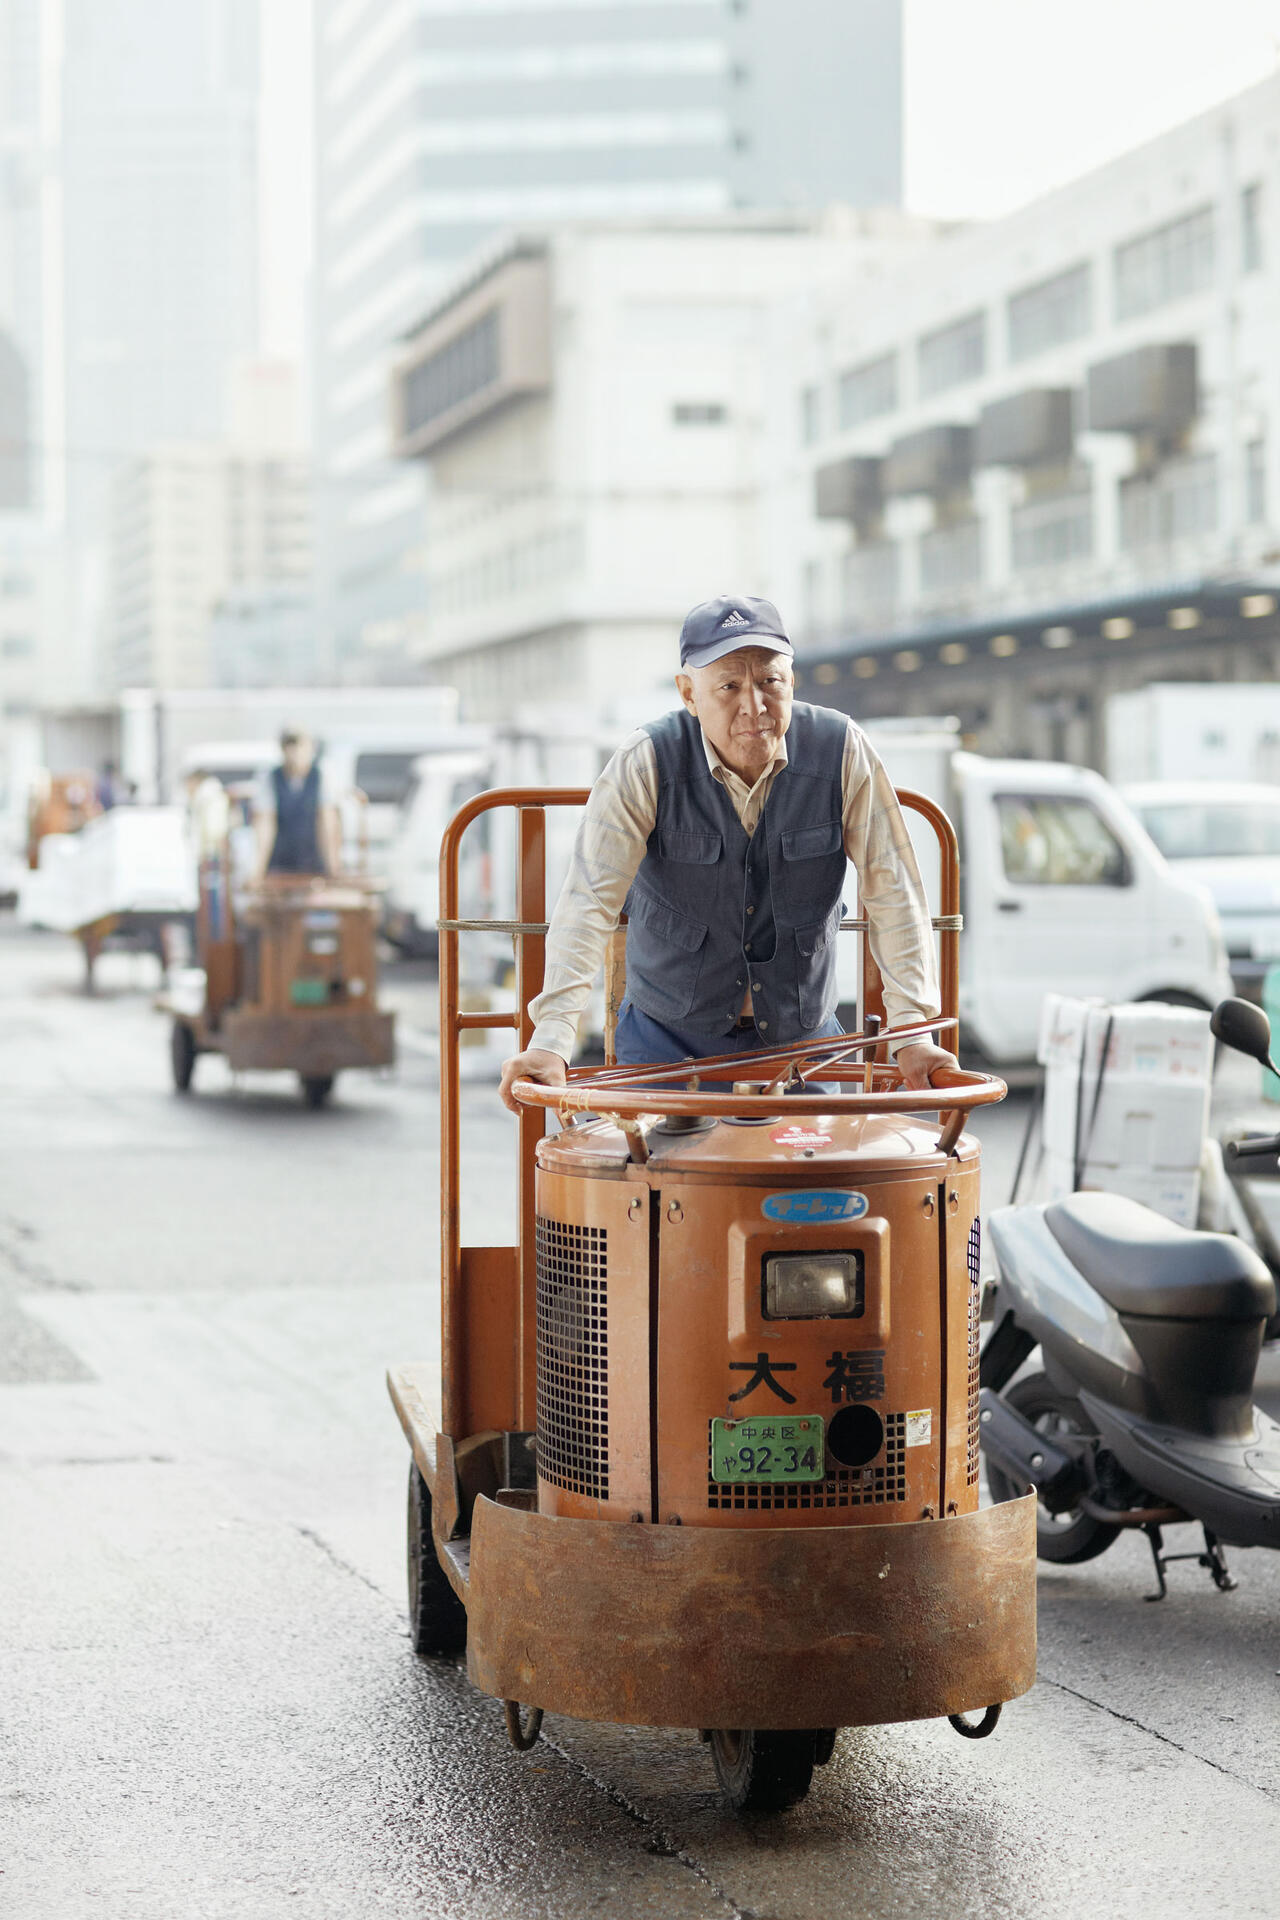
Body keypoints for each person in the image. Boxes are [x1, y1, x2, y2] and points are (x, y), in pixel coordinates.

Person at [499, 593, 956, 1113]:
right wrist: (552, 1038)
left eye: (769, 682)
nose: (754, 706)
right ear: (689, 694)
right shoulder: (645, 760)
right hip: (665, 1048)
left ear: (792, 682)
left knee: (817, 1189)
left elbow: (894, 890)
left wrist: (914, 1031)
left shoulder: (843, 749)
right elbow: (588, 902)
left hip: (802, 1047)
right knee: (660, 1189)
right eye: (730, 686)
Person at [254, 729, 342, 879]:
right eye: (290, 746)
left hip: (314, 861)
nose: (296, 753)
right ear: (283, 750)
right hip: (279, 863)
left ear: (311, 749)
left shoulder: (321, 777)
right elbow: (265, 825)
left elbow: (327, 822)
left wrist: (333, 866)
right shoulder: (270, 778)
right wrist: (258, 871)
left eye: (301, 746)